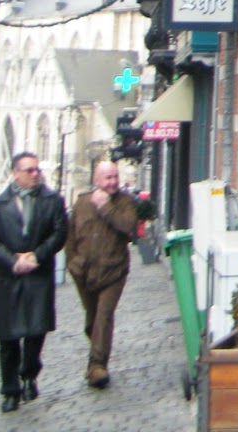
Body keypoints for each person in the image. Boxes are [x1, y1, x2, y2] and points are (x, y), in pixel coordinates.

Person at [0, 151, 67, 412]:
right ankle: (10, 391)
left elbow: (59, 233)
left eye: (37, 169)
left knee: (36, 332)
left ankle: (29, 373)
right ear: (15, 173)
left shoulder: (52, 201)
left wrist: (36, 256)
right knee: (8, 338)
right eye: (29, 170)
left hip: (38, 275)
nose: (35, 174)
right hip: (9, 278)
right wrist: (12, 260)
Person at [65, 159, 139, 389]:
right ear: (96, 180)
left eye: (115, 176)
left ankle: (97, 366)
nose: (113, 182)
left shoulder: (125, 202)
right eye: (108, 177)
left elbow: (128, 226)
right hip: (84, 272)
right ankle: (98, 352)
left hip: (114, 271)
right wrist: (72, 263)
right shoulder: (82, 203)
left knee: (103, 316)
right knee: (91, 320)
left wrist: (106, 207)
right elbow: (71, 237)